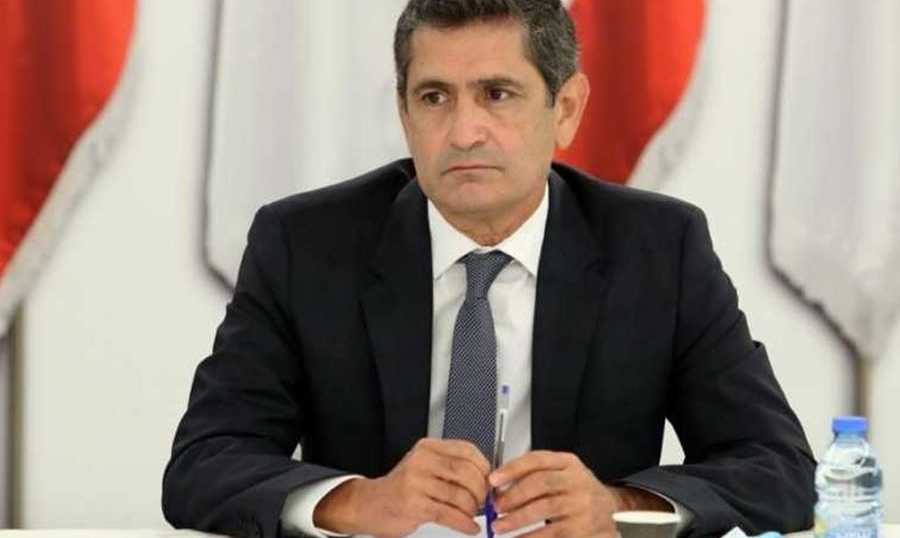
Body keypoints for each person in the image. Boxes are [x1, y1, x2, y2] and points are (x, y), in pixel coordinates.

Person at [162, 1, 816, 537]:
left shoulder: (658, 249)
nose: (463, 131)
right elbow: (205, 464)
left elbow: (778, 468)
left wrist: (616, 508)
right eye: (434, 97)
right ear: (403, 113)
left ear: (566, 109)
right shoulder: (305, 245)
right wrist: (361, 501)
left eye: (497, 94)